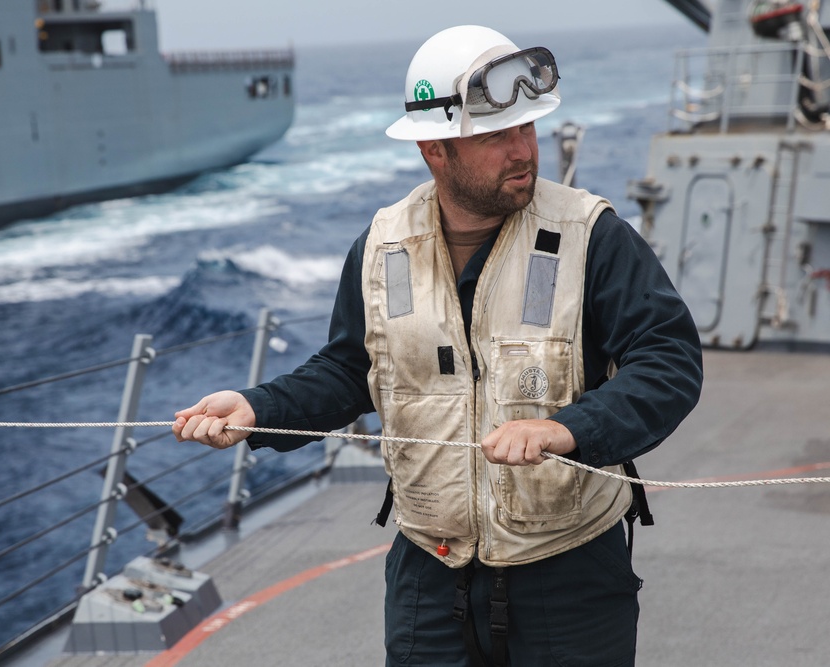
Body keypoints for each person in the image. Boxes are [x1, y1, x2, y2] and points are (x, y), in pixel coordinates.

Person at [173, 25, 703, 666]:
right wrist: (258, 409)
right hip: (429, 574)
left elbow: (669, 359)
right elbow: (349, 370)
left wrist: (569, 429)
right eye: (496, 135)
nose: (522, 151)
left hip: (569, 575)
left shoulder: (592, 235)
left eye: (527, 128)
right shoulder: (381, 245)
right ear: (435, 148)